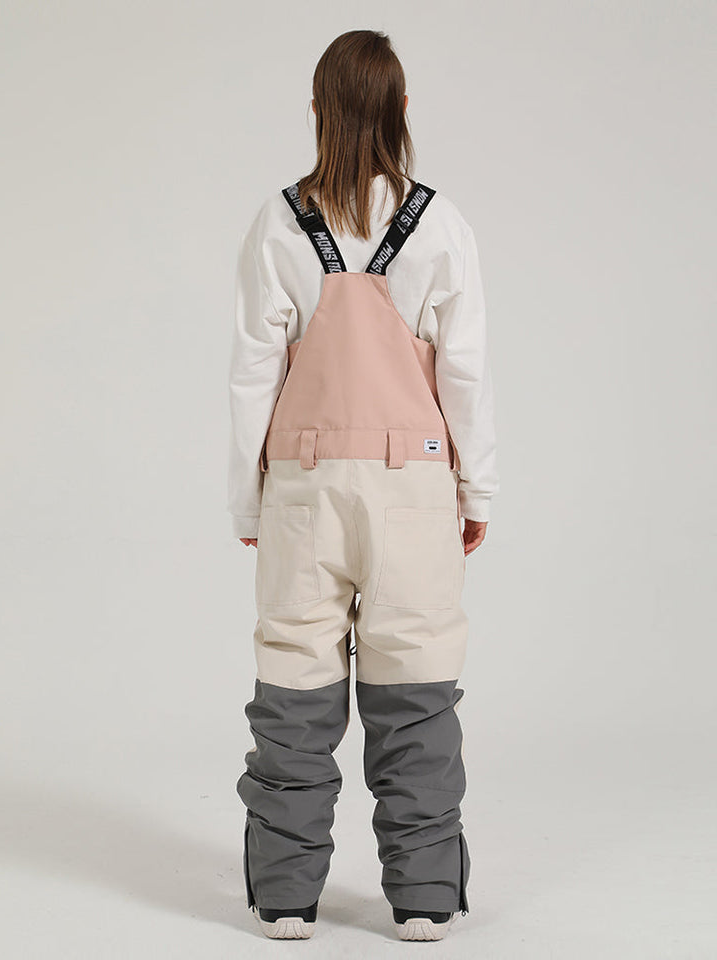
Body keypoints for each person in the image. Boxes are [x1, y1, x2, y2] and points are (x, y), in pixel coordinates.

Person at [227, 29, 499, 942]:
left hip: (304, 486)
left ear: (317, 110)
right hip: (412, 485)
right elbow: (466, 373)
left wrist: (247, 499)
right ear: (401, 109)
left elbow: (252, 375)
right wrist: (477, 491)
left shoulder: (278, 222)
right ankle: (423, 898)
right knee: (415, 688)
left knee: (294, 689)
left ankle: (285, 897)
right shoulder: (441, 223)